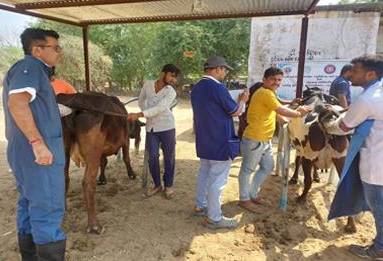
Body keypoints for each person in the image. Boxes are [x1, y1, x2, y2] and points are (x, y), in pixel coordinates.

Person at [2, 28, 66, 261]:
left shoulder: (36, 72)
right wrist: (38, 143)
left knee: (29, 207)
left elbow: (30, 106)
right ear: (37, 49)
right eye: (56, 48)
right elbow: (17, 102)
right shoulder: (30, 68)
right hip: (40, 156)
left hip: (24, 154)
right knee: (48, 211)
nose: (60, 53)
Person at [324, 55, 383, 260]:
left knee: (379, 208)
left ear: (371, 74)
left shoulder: (366, 99)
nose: (351, 74)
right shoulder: (379, 91)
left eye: (356, 71)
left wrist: (329, 122)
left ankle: (379, 248)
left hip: (376, 166)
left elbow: (343, 127)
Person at [238, 67, 309, 214]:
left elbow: (277, 106)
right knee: (247, 170)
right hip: (255, 138)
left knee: (267, 167)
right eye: (273, 79)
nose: (276, 82)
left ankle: (253, 194)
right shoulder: (265, 93)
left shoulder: (269, 93)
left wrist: (291, 107)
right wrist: (298, 113)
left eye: (279, 80)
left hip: (264, 138)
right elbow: (280, 110)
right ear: (264, 80)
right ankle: (244, 199)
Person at [191, 56, 249, 229]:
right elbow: (235, 112)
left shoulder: (197, 88)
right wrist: (242, 101)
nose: (225, 73)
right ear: (217, 69)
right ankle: (214, 218)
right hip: (220, 140)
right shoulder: (218, 88)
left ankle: (200, 205)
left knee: (204, 172)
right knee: (218, 179)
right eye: (225, 70)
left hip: (204, 139)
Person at [127, 64, 180, 199]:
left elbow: (161, 108)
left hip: (167, 127)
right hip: (151, 128)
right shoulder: (148, 85)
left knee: (169, 158)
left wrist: (141, 114)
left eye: (175, 77)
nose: (174, 79)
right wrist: (146, 111)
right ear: (163, 74)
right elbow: (141, 100)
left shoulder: (171, 92)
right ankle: (157, 185)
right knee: (152, 157)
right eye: (172, 75)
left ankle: (168, 186)